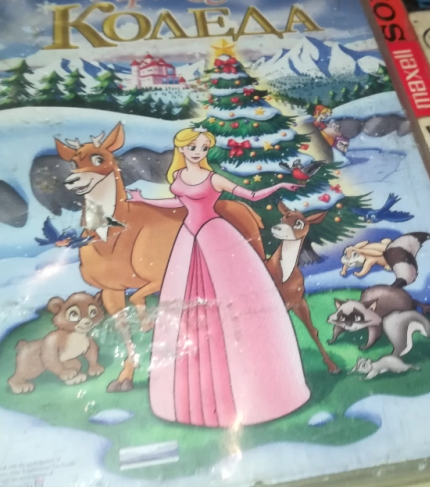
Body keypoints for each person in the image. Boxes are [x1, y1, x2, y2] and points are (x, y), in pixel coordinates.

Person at [126, 127, 310, 427]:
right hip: (188, 239)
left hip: (216, 236)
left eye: (203, 148)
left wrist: (279, 186)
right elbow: (178, 203)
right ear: (182, 149)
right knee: (185, 302)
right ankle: (191, 393)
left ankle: (260, 384)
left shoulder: (213, 179)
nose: (198, 152)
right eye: (193, 147)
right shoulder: (179, 177)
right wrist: (143, 199)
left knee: (233, 298)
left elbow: (251, 195)